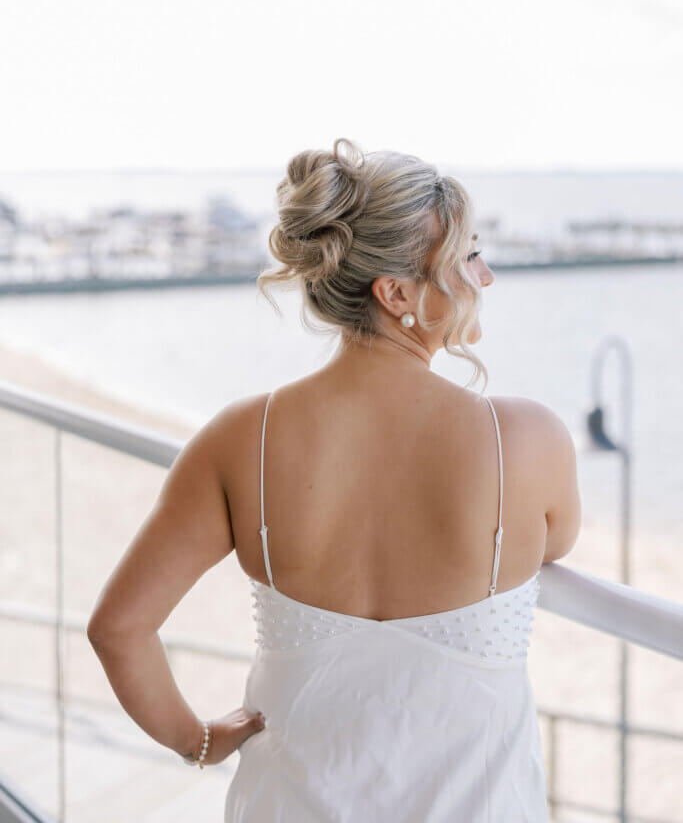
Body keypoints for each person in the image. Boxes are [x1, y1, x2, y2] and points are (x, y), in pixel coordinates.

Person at [88, 138, 581, 821]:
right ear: (396, 293)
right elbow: (553, 548)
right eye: (466, 257)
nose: (484, 276)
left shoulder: (241, 439)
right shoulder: (526, 440)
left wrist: (197, 742)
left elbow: (118, 630)